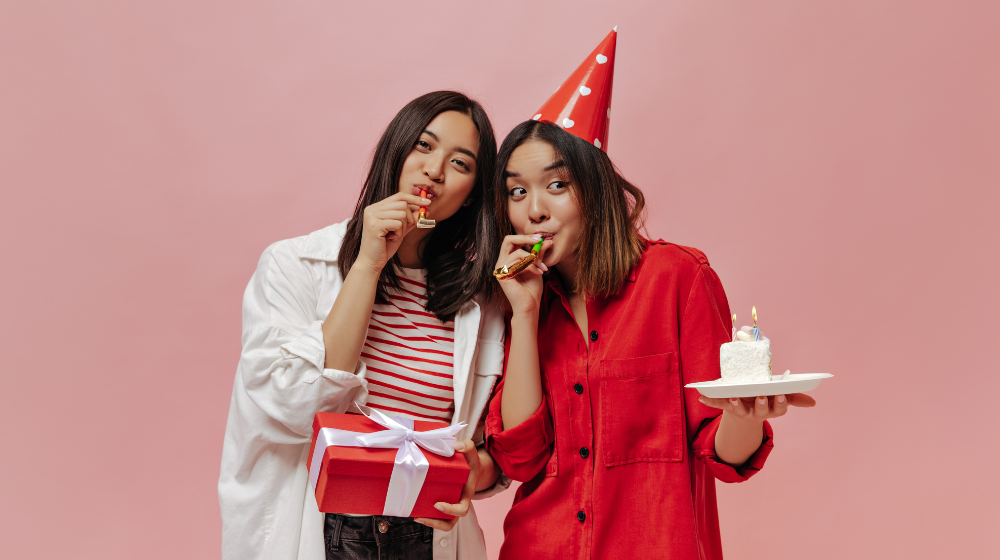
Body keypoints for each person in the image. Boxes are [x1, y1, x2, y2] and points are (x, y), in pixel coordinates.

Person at [485, 30, 816, 560]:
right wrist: (522, 315)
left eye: (557, 184)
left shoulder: (676, 278)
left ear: (592, 188)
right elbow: (520, 458)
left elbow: (723, 455)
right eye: (517, 191)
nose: (534, 210)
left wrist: (745, 414)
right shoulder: (524, 298)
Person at [219, 91, 509, 560]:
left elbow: (495, 450)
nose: (435, 170)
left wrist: (479, 470)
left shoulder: (483, 303)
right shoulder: (295, 264)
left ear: (473, 191)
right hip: (323, 529)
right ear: (395, 151)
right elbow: (294, 407)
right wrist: (369, 264)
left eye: (460, 163)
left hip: (426, 535)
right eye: (423, 146)